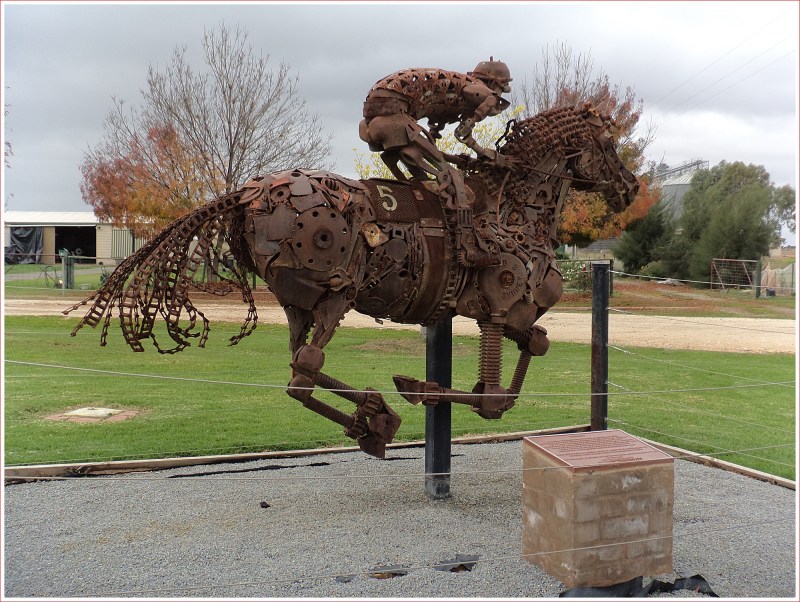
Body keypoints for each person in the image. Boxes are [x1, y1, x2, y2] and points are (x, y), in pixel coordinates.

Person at [359, 58, 512, 266]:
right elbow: (462, 132)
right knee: (453, 178)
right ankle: (467, 246)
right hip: (395, 106)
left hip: (376, 109)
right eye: (502, 89)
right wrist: (485, 153)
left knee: (424, 179)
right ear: (496, 85)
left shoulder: (453, 94)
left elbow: (431, 145)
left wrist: (456, 159)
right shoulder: (484, 94)